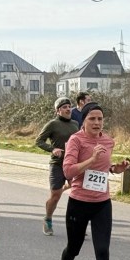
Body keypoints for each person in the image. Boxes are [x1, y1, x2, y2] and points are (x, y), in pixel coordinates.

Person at [53, 103, 130, 260]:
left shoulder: (108, 141)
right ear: (84, 121)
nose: (97, 123)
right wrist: (92, 159)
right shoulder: (75, 140)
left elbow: (104, 167)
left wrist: (116, 169)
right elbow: (68, 171)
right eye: (92, 119)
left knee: (102, 250)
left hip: (102, 203)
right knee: (74, 248)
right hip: (79, 203)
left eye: (100, 119)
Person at [35, 97, 79, 236]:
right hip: (57, 164)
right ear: (58, 110)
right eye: (64, 107)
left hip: (72, 164)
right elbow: (39, 141)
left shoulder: (75, 124)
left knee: (79, 194)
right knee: (55, 196)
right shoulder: (52, 124)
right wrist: (52, 149)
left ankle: (78, 224)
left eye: (69, 106)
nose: (68, 109)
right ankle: (48, 219)